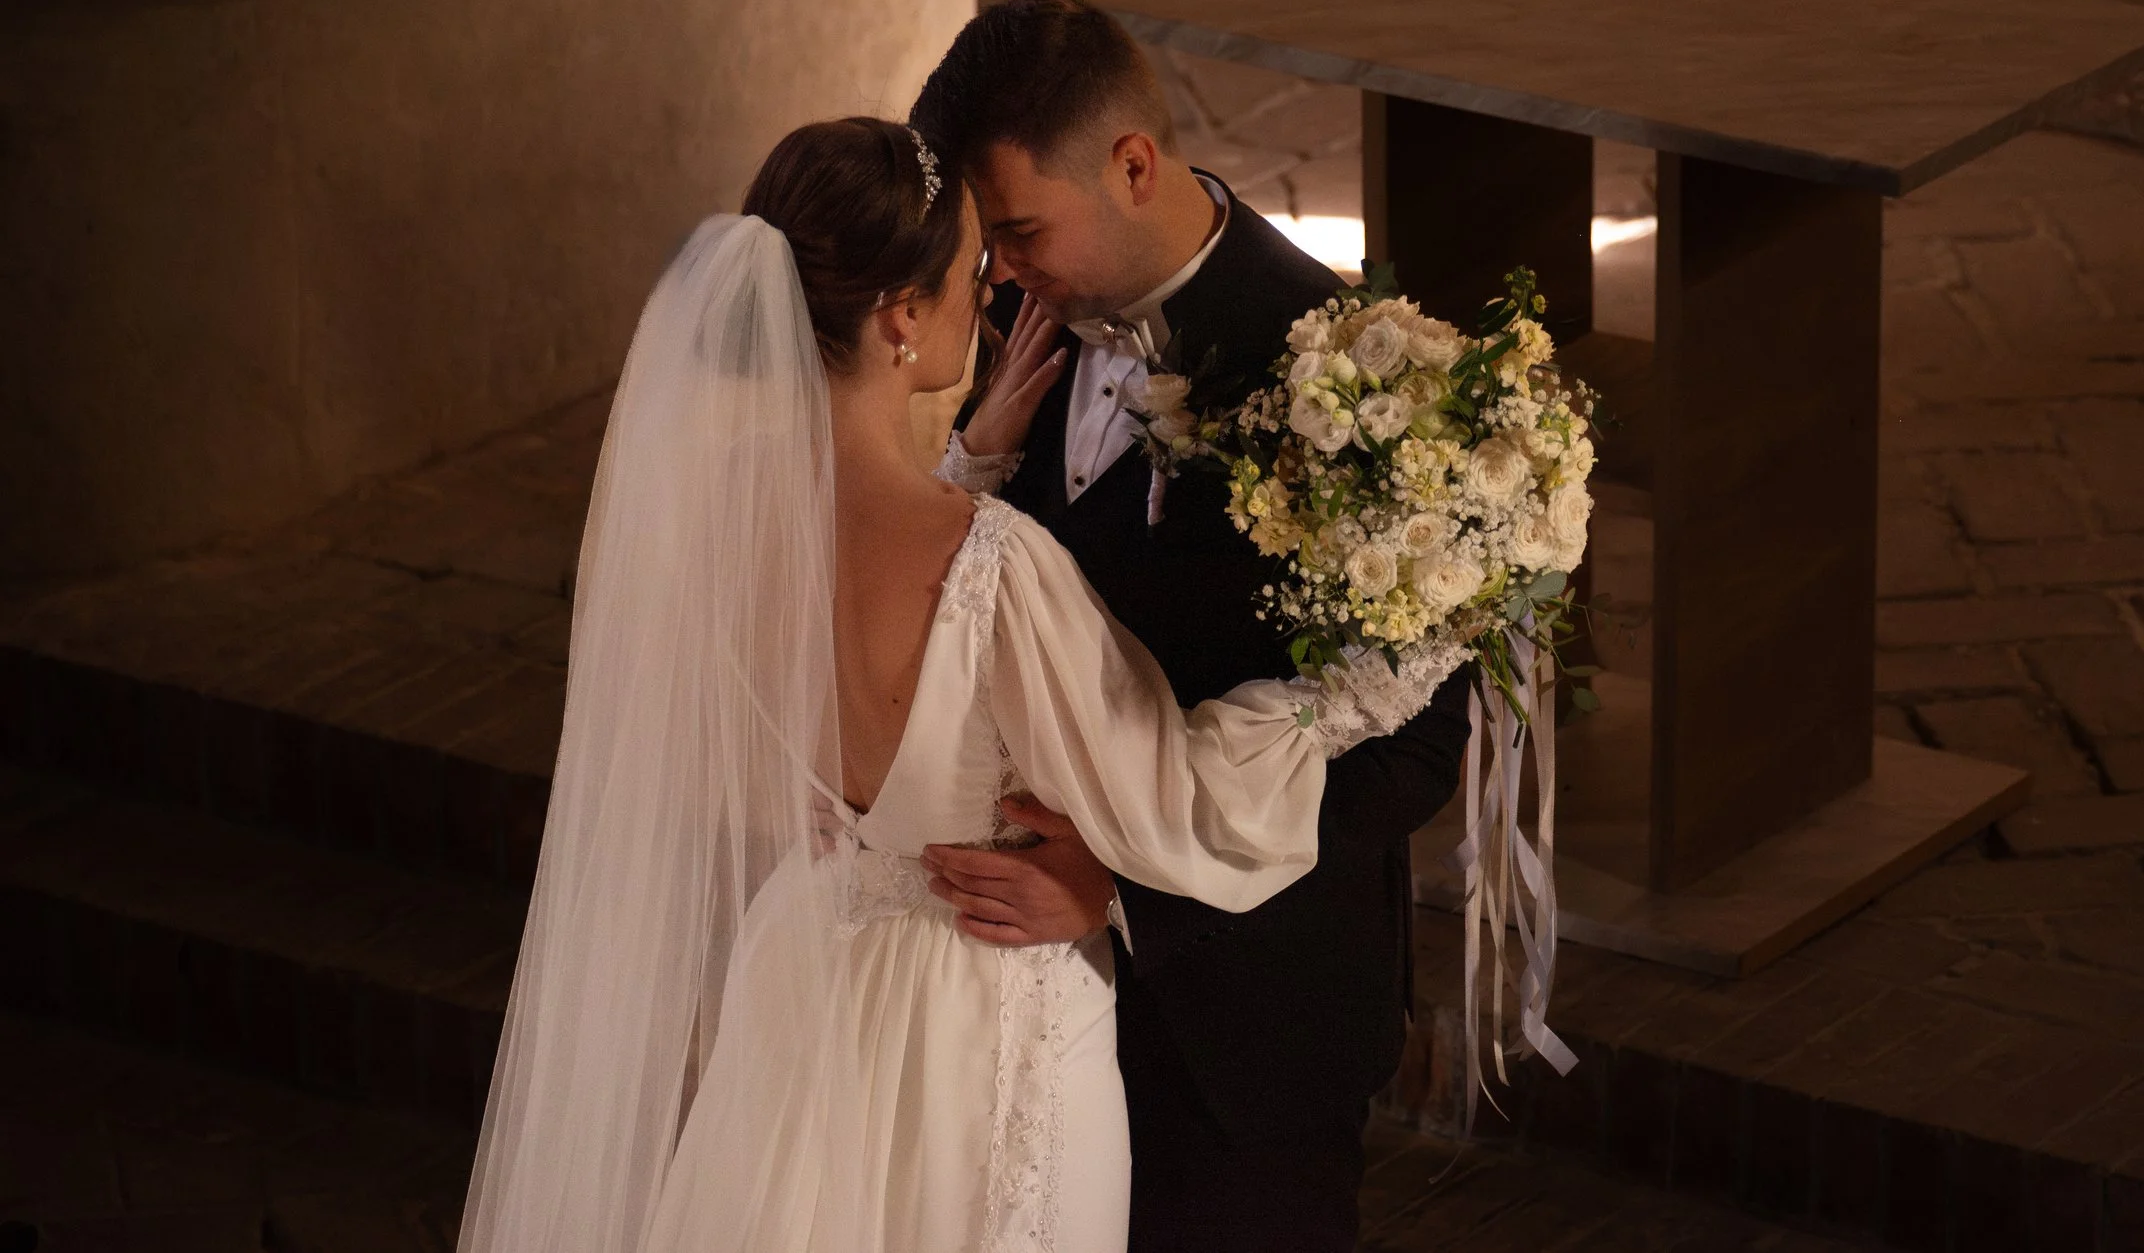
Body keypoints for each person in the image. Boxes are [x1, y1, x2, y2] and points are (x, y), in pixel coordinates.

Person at [456, 118, 1438, 1253]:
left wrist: (965, 462)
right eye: (971, 277)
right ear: (899, 319)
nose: (995, 300)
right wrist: (1375, 679)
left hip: (816, 973)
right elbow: (1174, 795)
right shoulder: (991, 565)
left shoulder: (711, 525)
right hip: (988, 1005)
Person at [912, 0, 1472, 1253]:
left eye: (1017, 230)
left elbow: (1419, 746)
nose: (997, 271)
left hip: (1242, 1017)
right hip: (1030, 1006)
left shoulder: (1352, 380)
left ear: (1130, 164)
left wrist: (1124, 890)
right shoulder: (1016, 309)